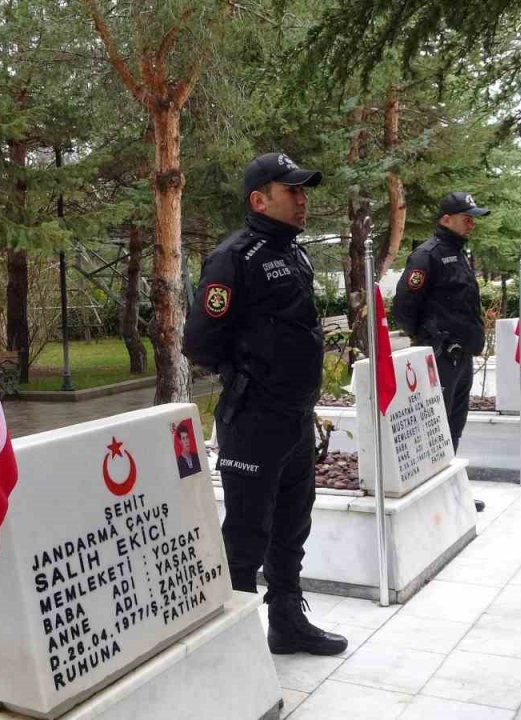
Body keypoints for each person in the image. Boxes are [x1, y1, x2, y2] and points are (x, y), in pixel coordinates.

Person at [183, 152, 347, 657]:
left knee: (293, 523)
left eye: (303, 190)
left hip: (294, 418)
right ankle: (233, 646)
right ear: (260, 199)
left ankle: (286, 623)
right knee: (247, 532)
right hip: (254, 418)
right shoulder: (234, 257)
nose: (302, 200)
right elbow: (200, 344)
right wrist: (253, 371)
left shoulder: (293, 252)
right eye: (291, 191)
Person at [392, 192, 488, 453]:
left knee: (455, 424)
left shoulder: (458, 253)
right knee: (437, 424)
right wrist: (426, 338)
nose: (472, 224)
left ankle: (450, 488)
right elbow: (403, 307)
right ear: (446, 220)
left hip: (462, 355)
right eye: (467, 218)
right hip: (440, 355)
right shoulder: (427, 255)